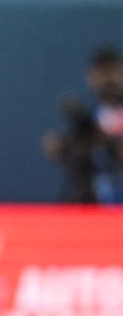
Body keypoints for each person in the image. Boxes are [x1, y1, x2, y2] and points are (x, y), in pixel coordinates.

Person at [42, 46, 123, 204]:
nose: (108, 81)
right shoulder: (87, 118)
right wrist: (64, 147)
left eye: (112, 73)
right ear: (90, 78)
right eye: (102, 74)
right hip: (90, 202)